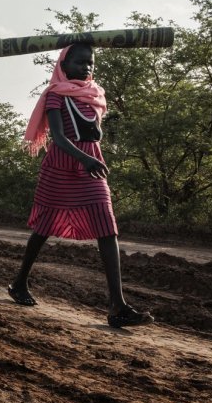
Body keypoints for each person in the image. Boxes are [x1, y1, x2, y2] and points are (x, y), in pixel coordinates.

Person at [8, 43, 153, 329]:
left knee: (106, 226)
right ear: (63, 65)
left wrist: (90, 159)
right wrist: (85, 159)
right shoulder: (55, 96)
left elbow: (91, 134)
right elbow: (59, 139)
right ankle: (19, 282)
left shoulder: (95, 95)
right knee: (43, 228)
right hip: (62, 166)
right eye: (80, 62)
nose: (87, 67)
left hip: (90, 166)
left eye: (91, 63)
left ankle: (118, 306)